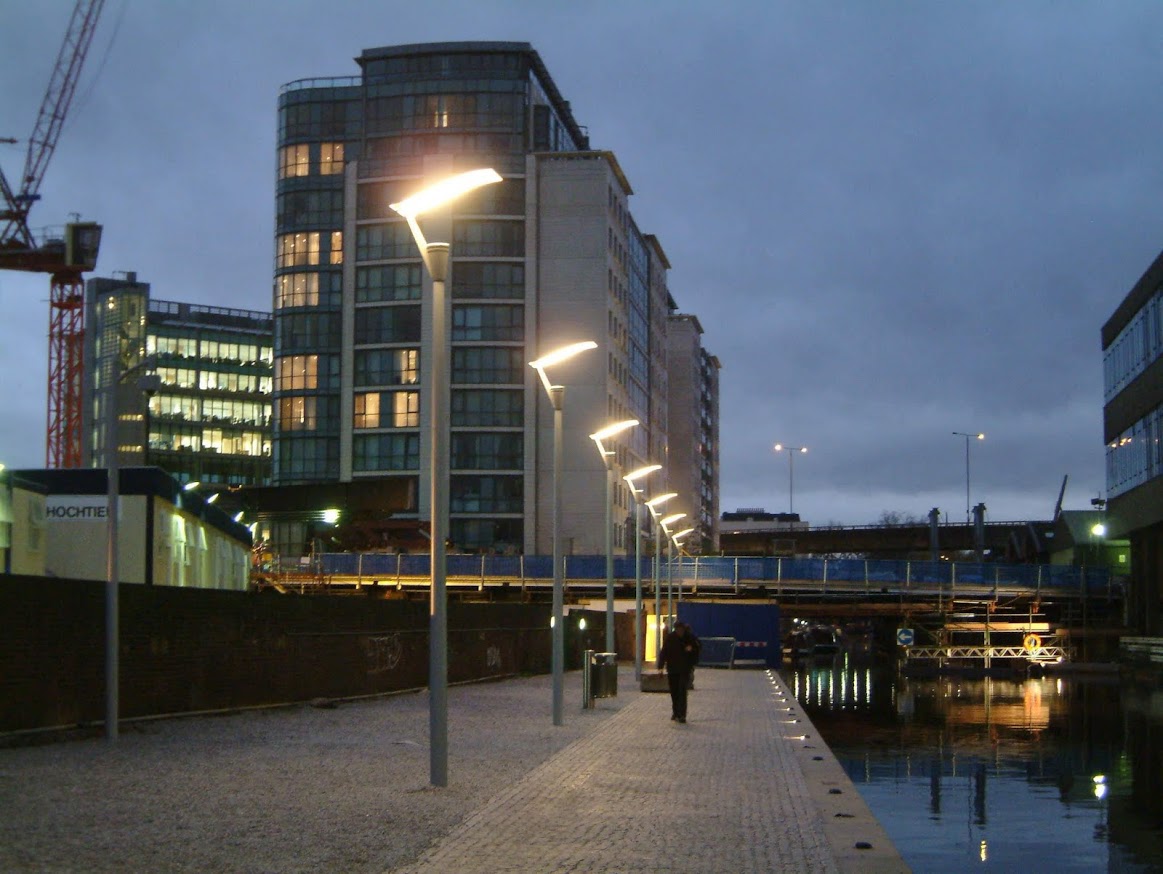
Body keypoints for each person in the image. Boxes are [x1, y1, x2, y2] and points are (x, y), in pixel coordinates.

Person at [657, 621, 700, 723]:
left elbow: (698, 648)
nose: (679, 632)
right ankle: (675, 712)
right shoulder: (670, 638)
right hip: (672, 669)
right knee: (674, 692)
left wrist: (692, 649)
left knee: (682, 691)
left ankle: (682, 715)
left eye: (681, 629)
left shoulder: (689, 638)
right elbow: (664, 652)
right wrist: (660, 667)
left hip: (684, 669)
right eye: (677, 630)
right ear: (675, 629)